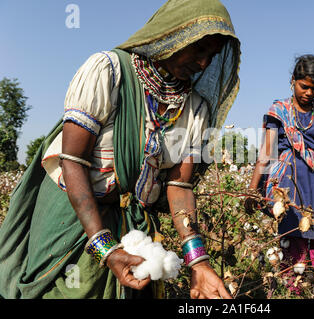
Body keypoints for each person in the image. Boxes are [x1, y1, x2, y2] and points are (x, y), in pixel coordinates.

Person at [0, 0, 240, 299]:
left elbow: (179, 186)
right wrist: (105, 248)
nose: (204, 63)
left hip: (134, 230)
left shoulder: (194, 109)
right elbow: (72, 161)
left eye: (212, 56)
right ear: (175, 34)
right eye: (199, 50)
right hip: (74, 220)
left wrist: (199, 261)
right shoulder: (109, 71)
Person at [244, 55, 314, 298]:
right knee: (293, 241)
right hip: (288, 183)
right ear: (293, 81)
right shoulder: (279, 111)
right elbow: (266, 153)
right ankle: (295, 292)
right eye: (304, 86)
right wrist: (252, 189)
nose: (309, 92)